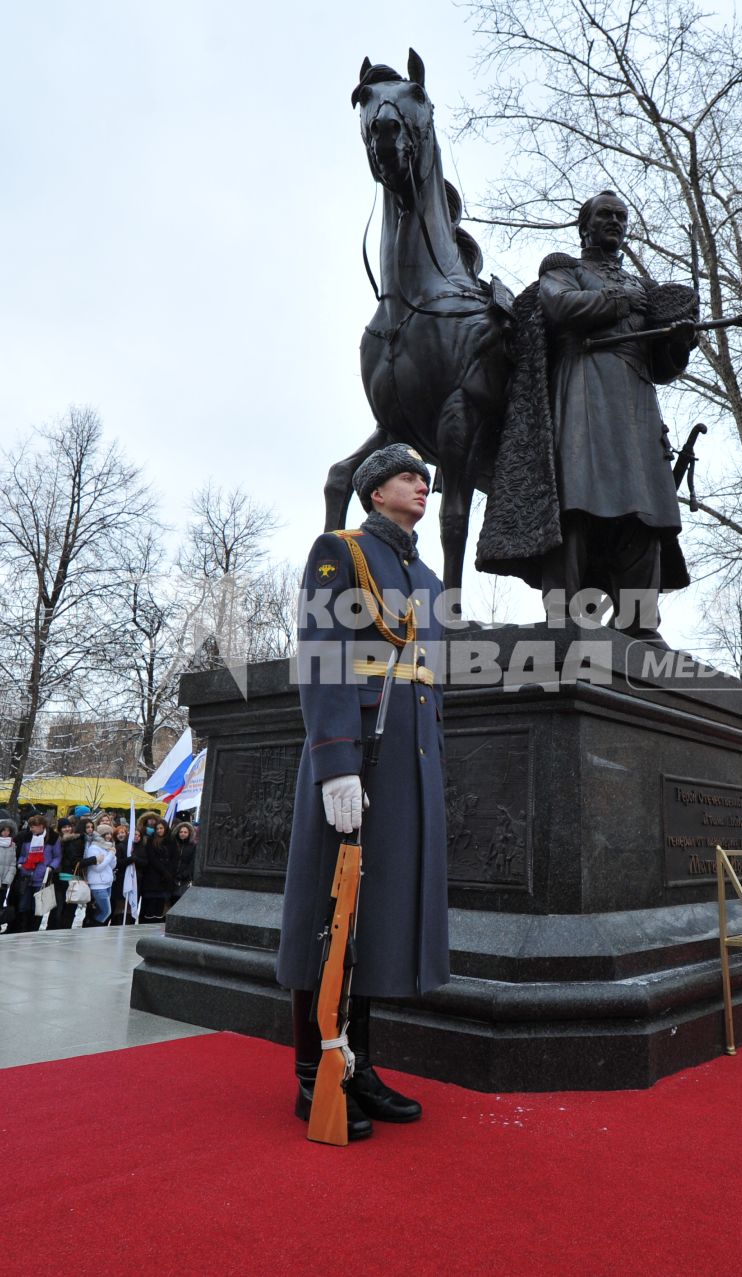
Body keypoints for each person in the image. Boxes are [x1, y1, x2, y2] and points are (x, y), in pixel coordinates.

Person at [278, 442, 449, 1140]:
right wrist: (335, 761)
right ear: (375, 491)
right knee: (331, 910)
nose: (422, 486)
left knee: (374, 917)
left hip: (408, 761)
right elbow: (323, 653)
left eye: (427, 480)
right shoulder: (339, 552)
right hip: (359, 757)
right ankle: (313, 1069)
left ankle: (359, 1063)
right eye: (409, 476)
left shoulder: (430, 579)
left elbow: (434, 678)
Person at [479, 190, 697, 637]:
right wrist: (620, 304)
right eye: (605, 215)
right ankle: (564, 614)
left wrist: (677, 342)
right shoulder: (565, 269)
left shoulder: (641, 285)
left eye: (621, 216)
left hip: (637, 404)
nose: (615, 222)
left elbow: (660, 367)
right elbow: (558, 306)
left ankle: (640, 623)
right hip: (583, 393)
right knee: (576, 501)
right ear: (585, 225)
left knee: (646, 512)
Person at [80, 816, 117, 926]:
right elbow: (97, 868)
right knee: (106, 911)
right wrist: (110, 855)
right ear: (101, 835)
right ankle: (93, 928)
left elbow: (112, 866)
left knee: (102, 911)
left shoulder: (107, 846)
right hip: (98, 884)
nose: (109, 836)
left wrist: (112, 855)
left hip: (107, 883)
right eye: (106, 834)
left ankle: (97, 930)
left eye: (110, 834)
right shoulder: (94, 848)